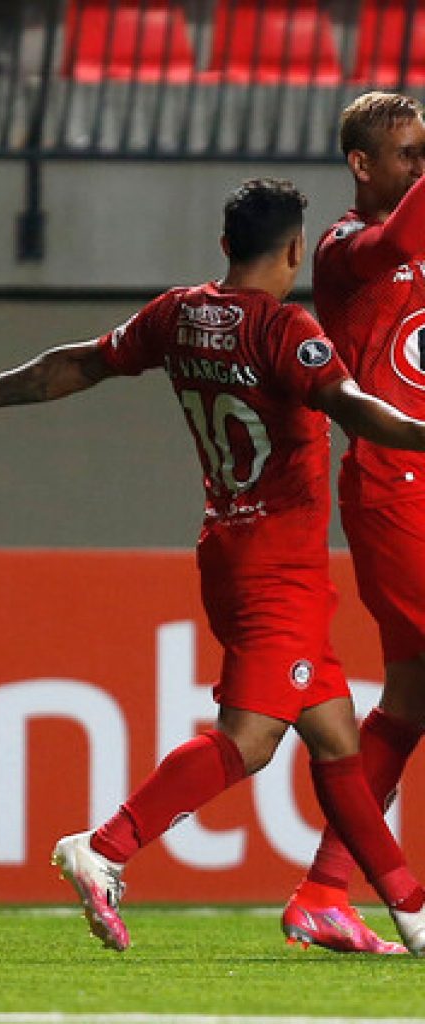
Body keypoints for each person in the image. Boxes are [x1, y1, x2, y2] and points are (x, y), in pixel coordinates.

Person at [0, 178, 425, 954]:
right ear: (296, 250)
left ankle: (403, 909)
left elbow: (80, 364)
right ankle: (106, 845)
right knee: (250, 741)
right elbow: (355, 406)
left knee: (335, 740)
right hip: (278, 565)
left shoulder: (180, 313)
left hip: (227, 547)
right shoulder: (289, 330)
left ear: (227, 245)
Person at [280, 91, 425, 955]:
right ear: (361, 165)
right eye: (405, 155)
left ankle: (323, 892)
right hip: (390, 488)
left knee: (409, 700)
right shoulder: (341, 249)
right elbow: (395, 241)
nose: (418, 167)